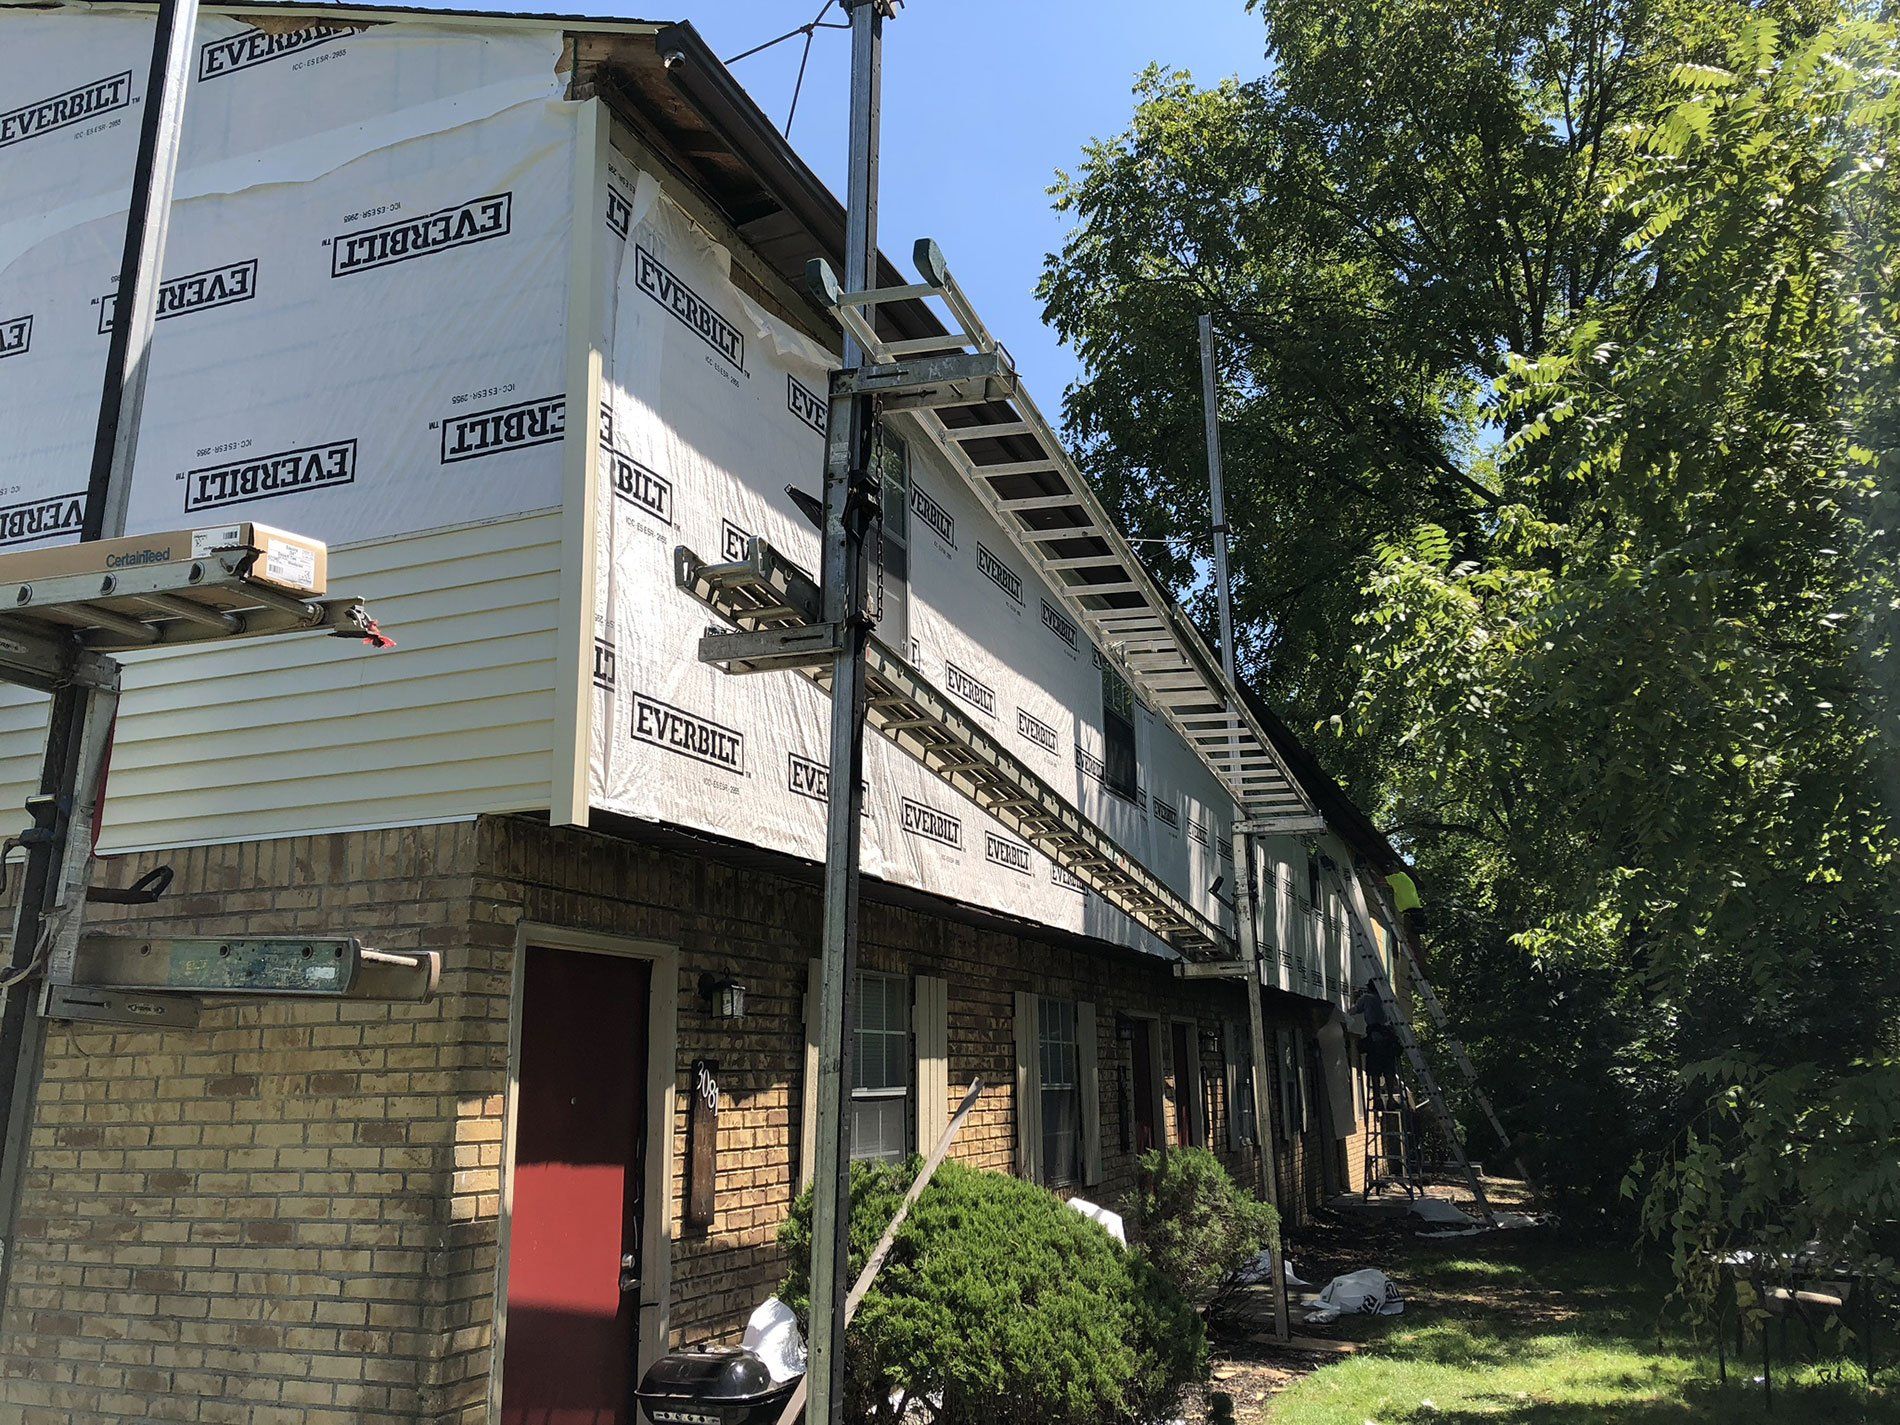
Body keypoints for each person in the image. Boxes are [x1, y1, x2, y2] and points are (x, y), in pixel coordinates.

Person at [1351, 979, 1402, 1108]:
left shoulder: (1367, 998)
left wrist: (1355, 1000)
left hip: (1374, 1038)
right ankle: (1390, 1100)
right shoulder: (1387, 1000)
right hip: (1388, 1038)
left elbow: (1354, 1011)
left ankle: (1378, 1099)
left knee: (1374, 1071)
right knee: (1389, 1070)